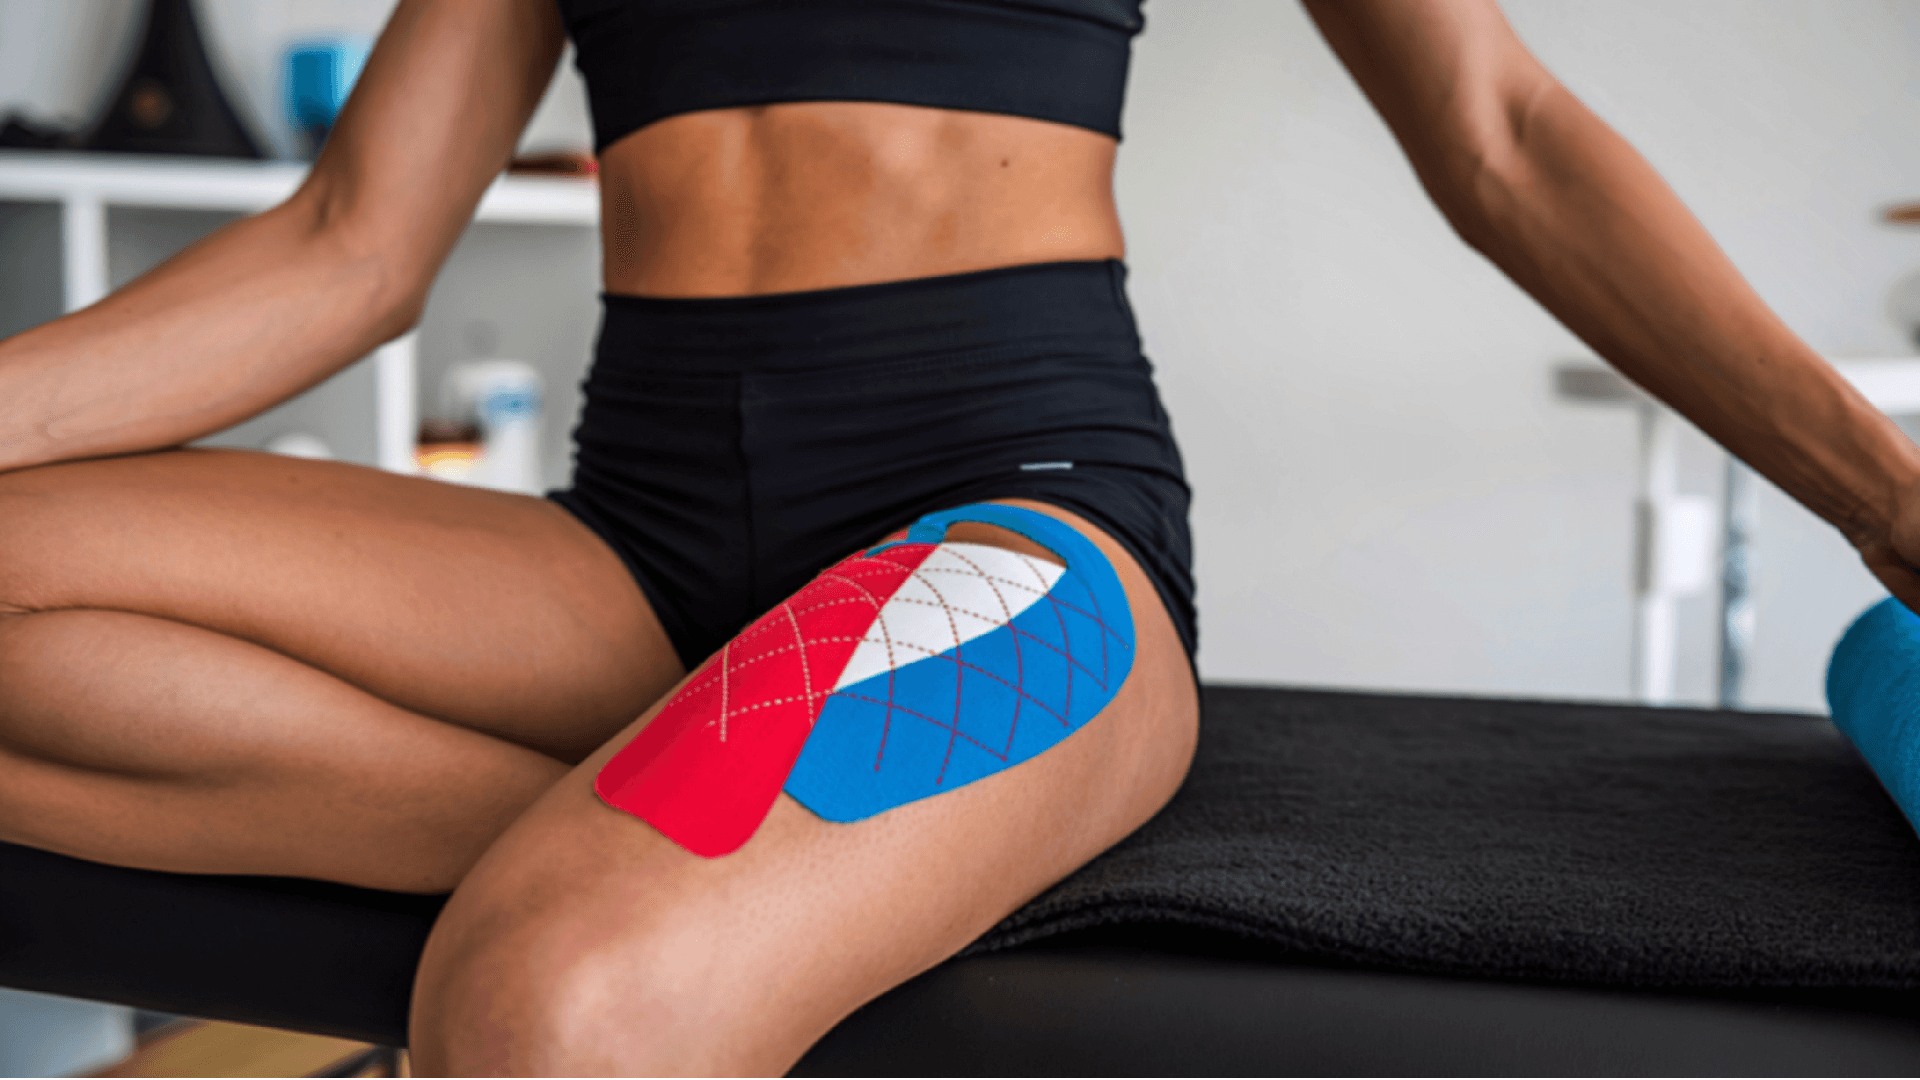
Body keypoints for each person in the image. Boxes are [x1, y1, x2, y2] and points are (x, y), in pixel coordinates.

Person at [1, 0, 1915, 1072]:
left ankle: (683, 842)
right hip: (636, 550)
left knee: (556, 1003)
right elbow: (351, 244)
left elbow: (1503, 132)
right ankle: (667, 820)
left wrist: (1883, 494)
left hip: (1003, 525)